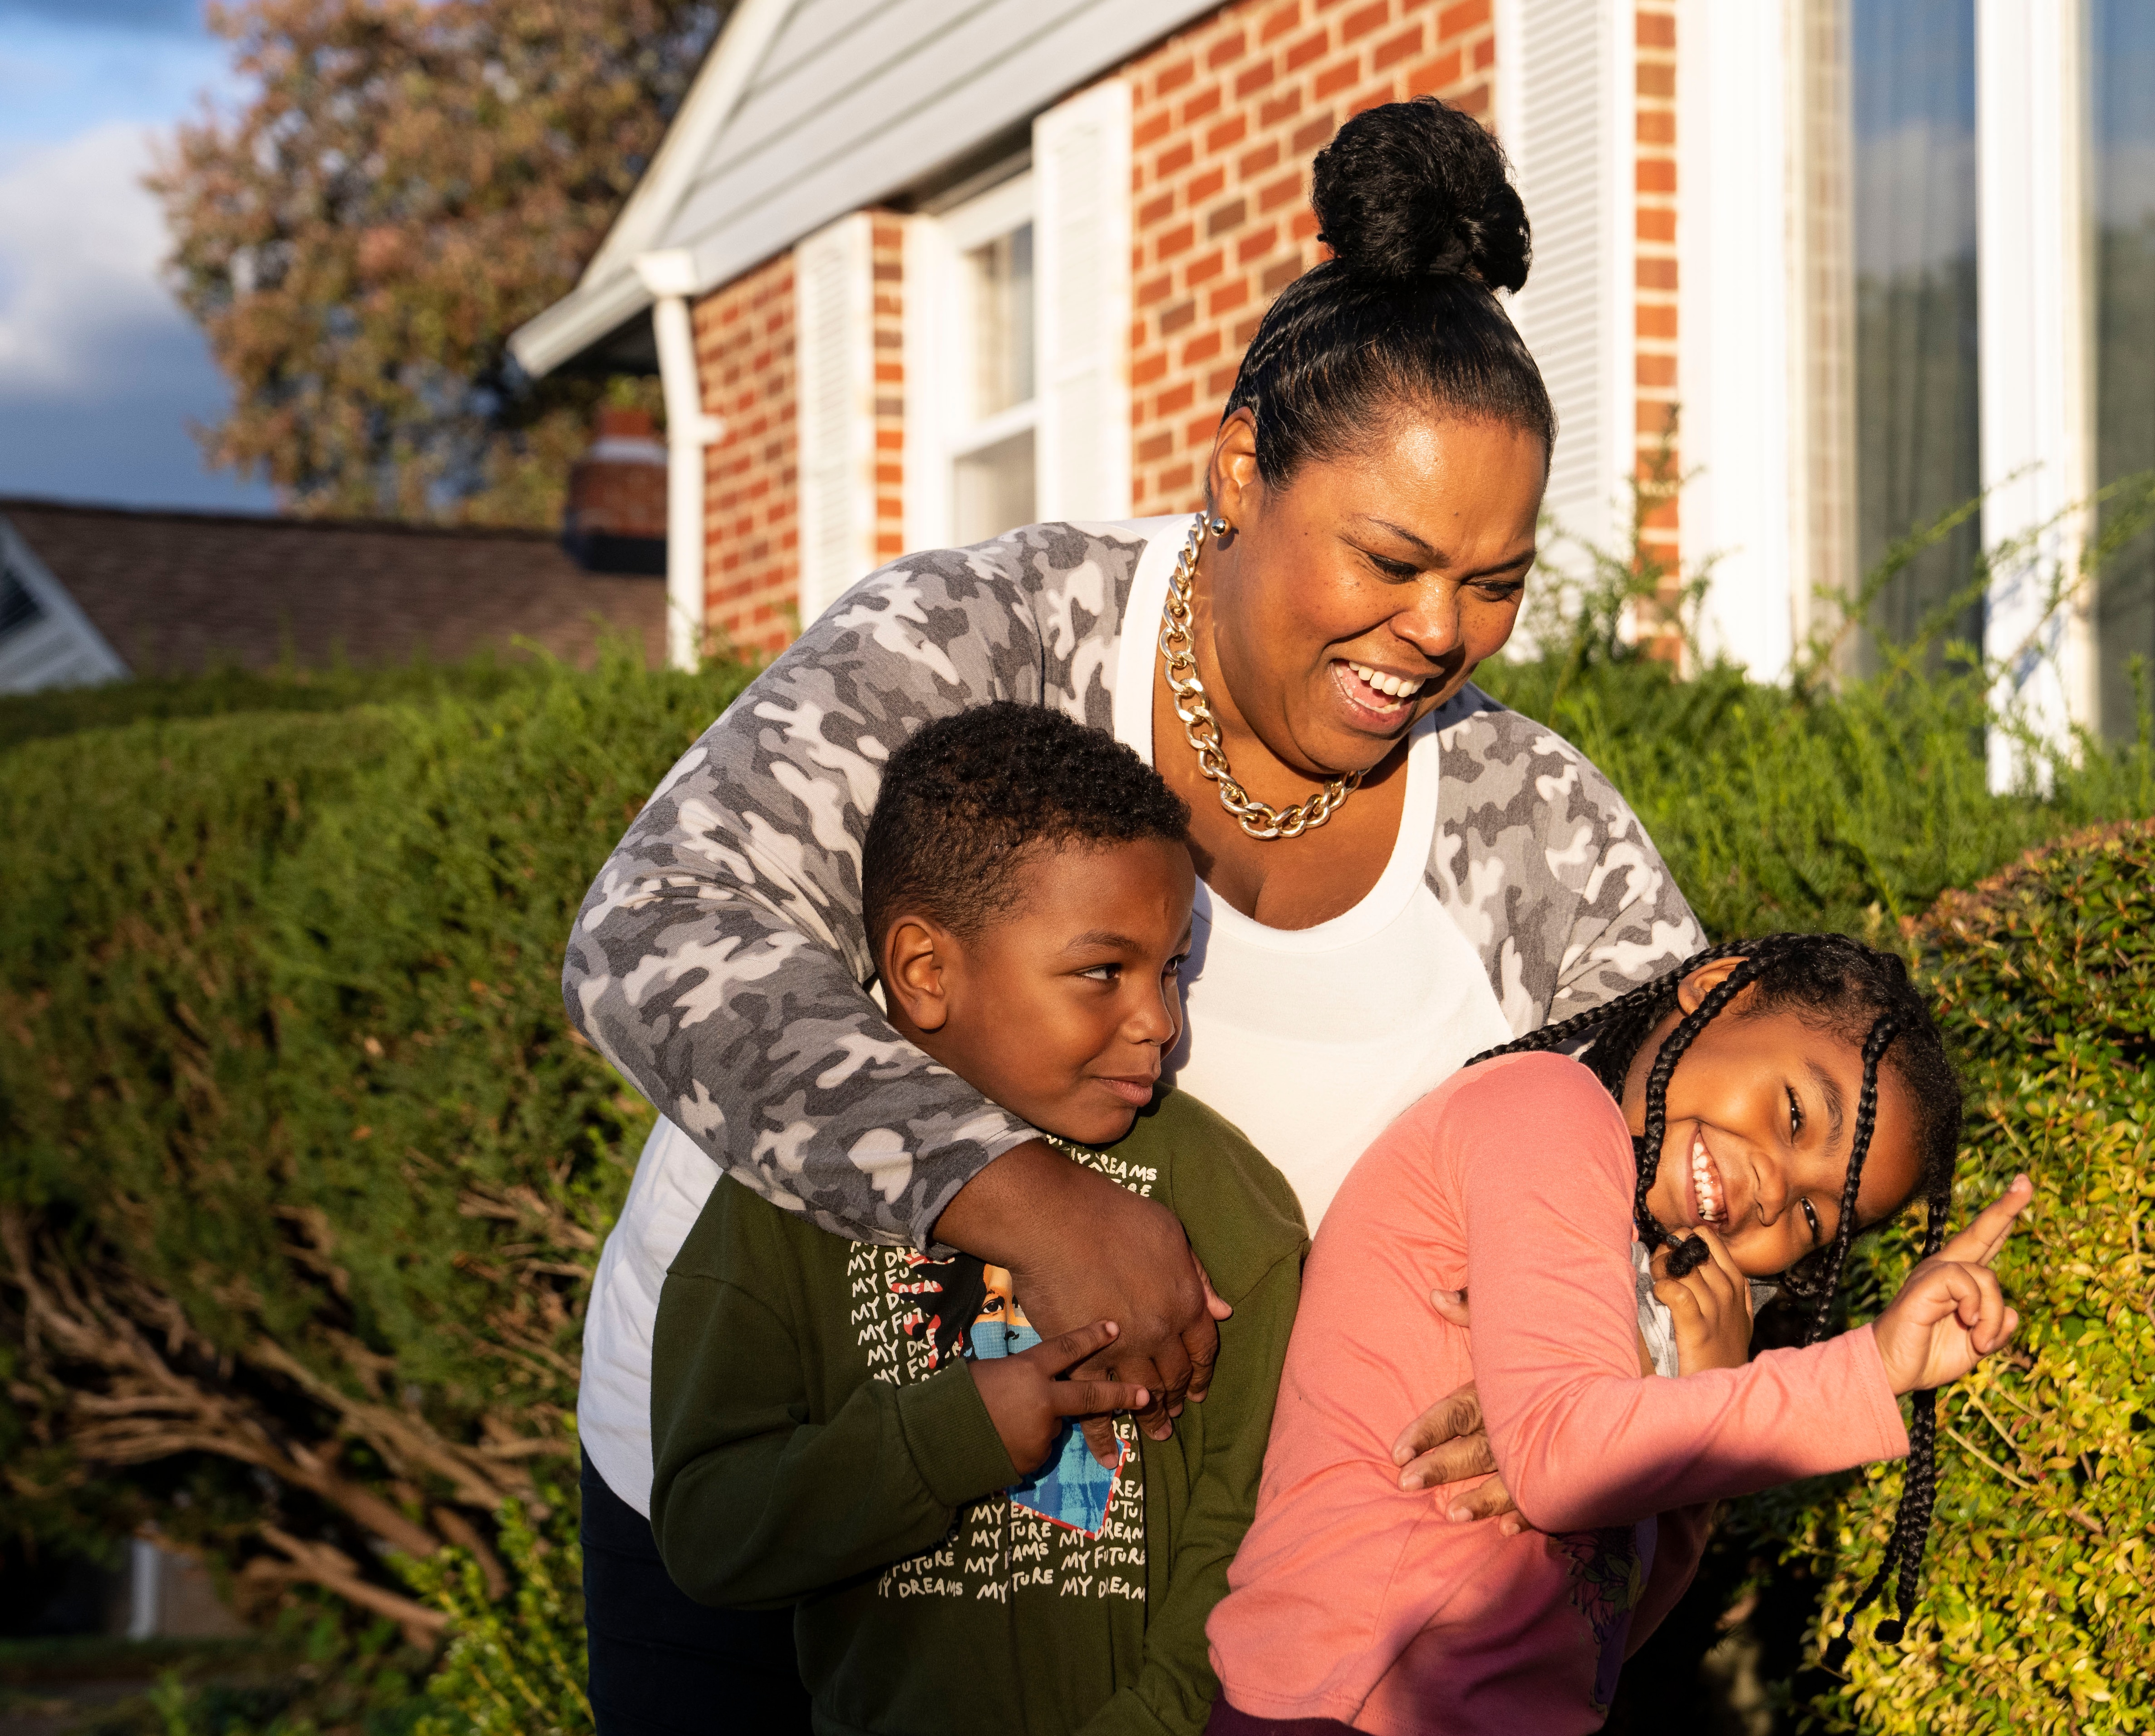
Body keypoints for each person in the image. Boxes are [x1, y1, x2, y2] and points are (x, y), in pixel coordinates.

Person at [567, 97, 1702, 1726]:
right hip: (784, 1490)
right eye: (1388, 558)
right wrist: (1023, 1193)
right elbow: (655, 930)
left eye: (1498, 579)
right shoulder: (988, 634)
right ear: (1240, 462)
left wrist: (1614, 1372)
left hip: (1193, 1595)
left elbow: (1708, 1164)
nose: (1440, 631)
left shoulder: (1529, 829)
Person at [647, 704, 1307, 1734]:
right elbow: (711, 1529)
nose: (1160, 1021)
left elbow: (1252, 1534)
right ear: (924, 971)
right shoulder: (788, 1201)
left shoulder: (1227, 1203)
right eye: (1104, 970)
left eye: (1172, 967)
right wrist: (960, 1432)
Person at [1204, 934, 2034, 1734]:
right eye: (1793, 1114)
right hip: (1343, 1704)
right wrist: (1869, 1367)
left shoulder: (1649, 1292)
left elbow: (1606, 1628)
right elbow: (1563, 1460)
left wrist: (1697, 1412)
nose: (1777, 1193)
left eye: (1819, 1216)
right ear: (1720, 990)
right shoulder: (1546, 1109)